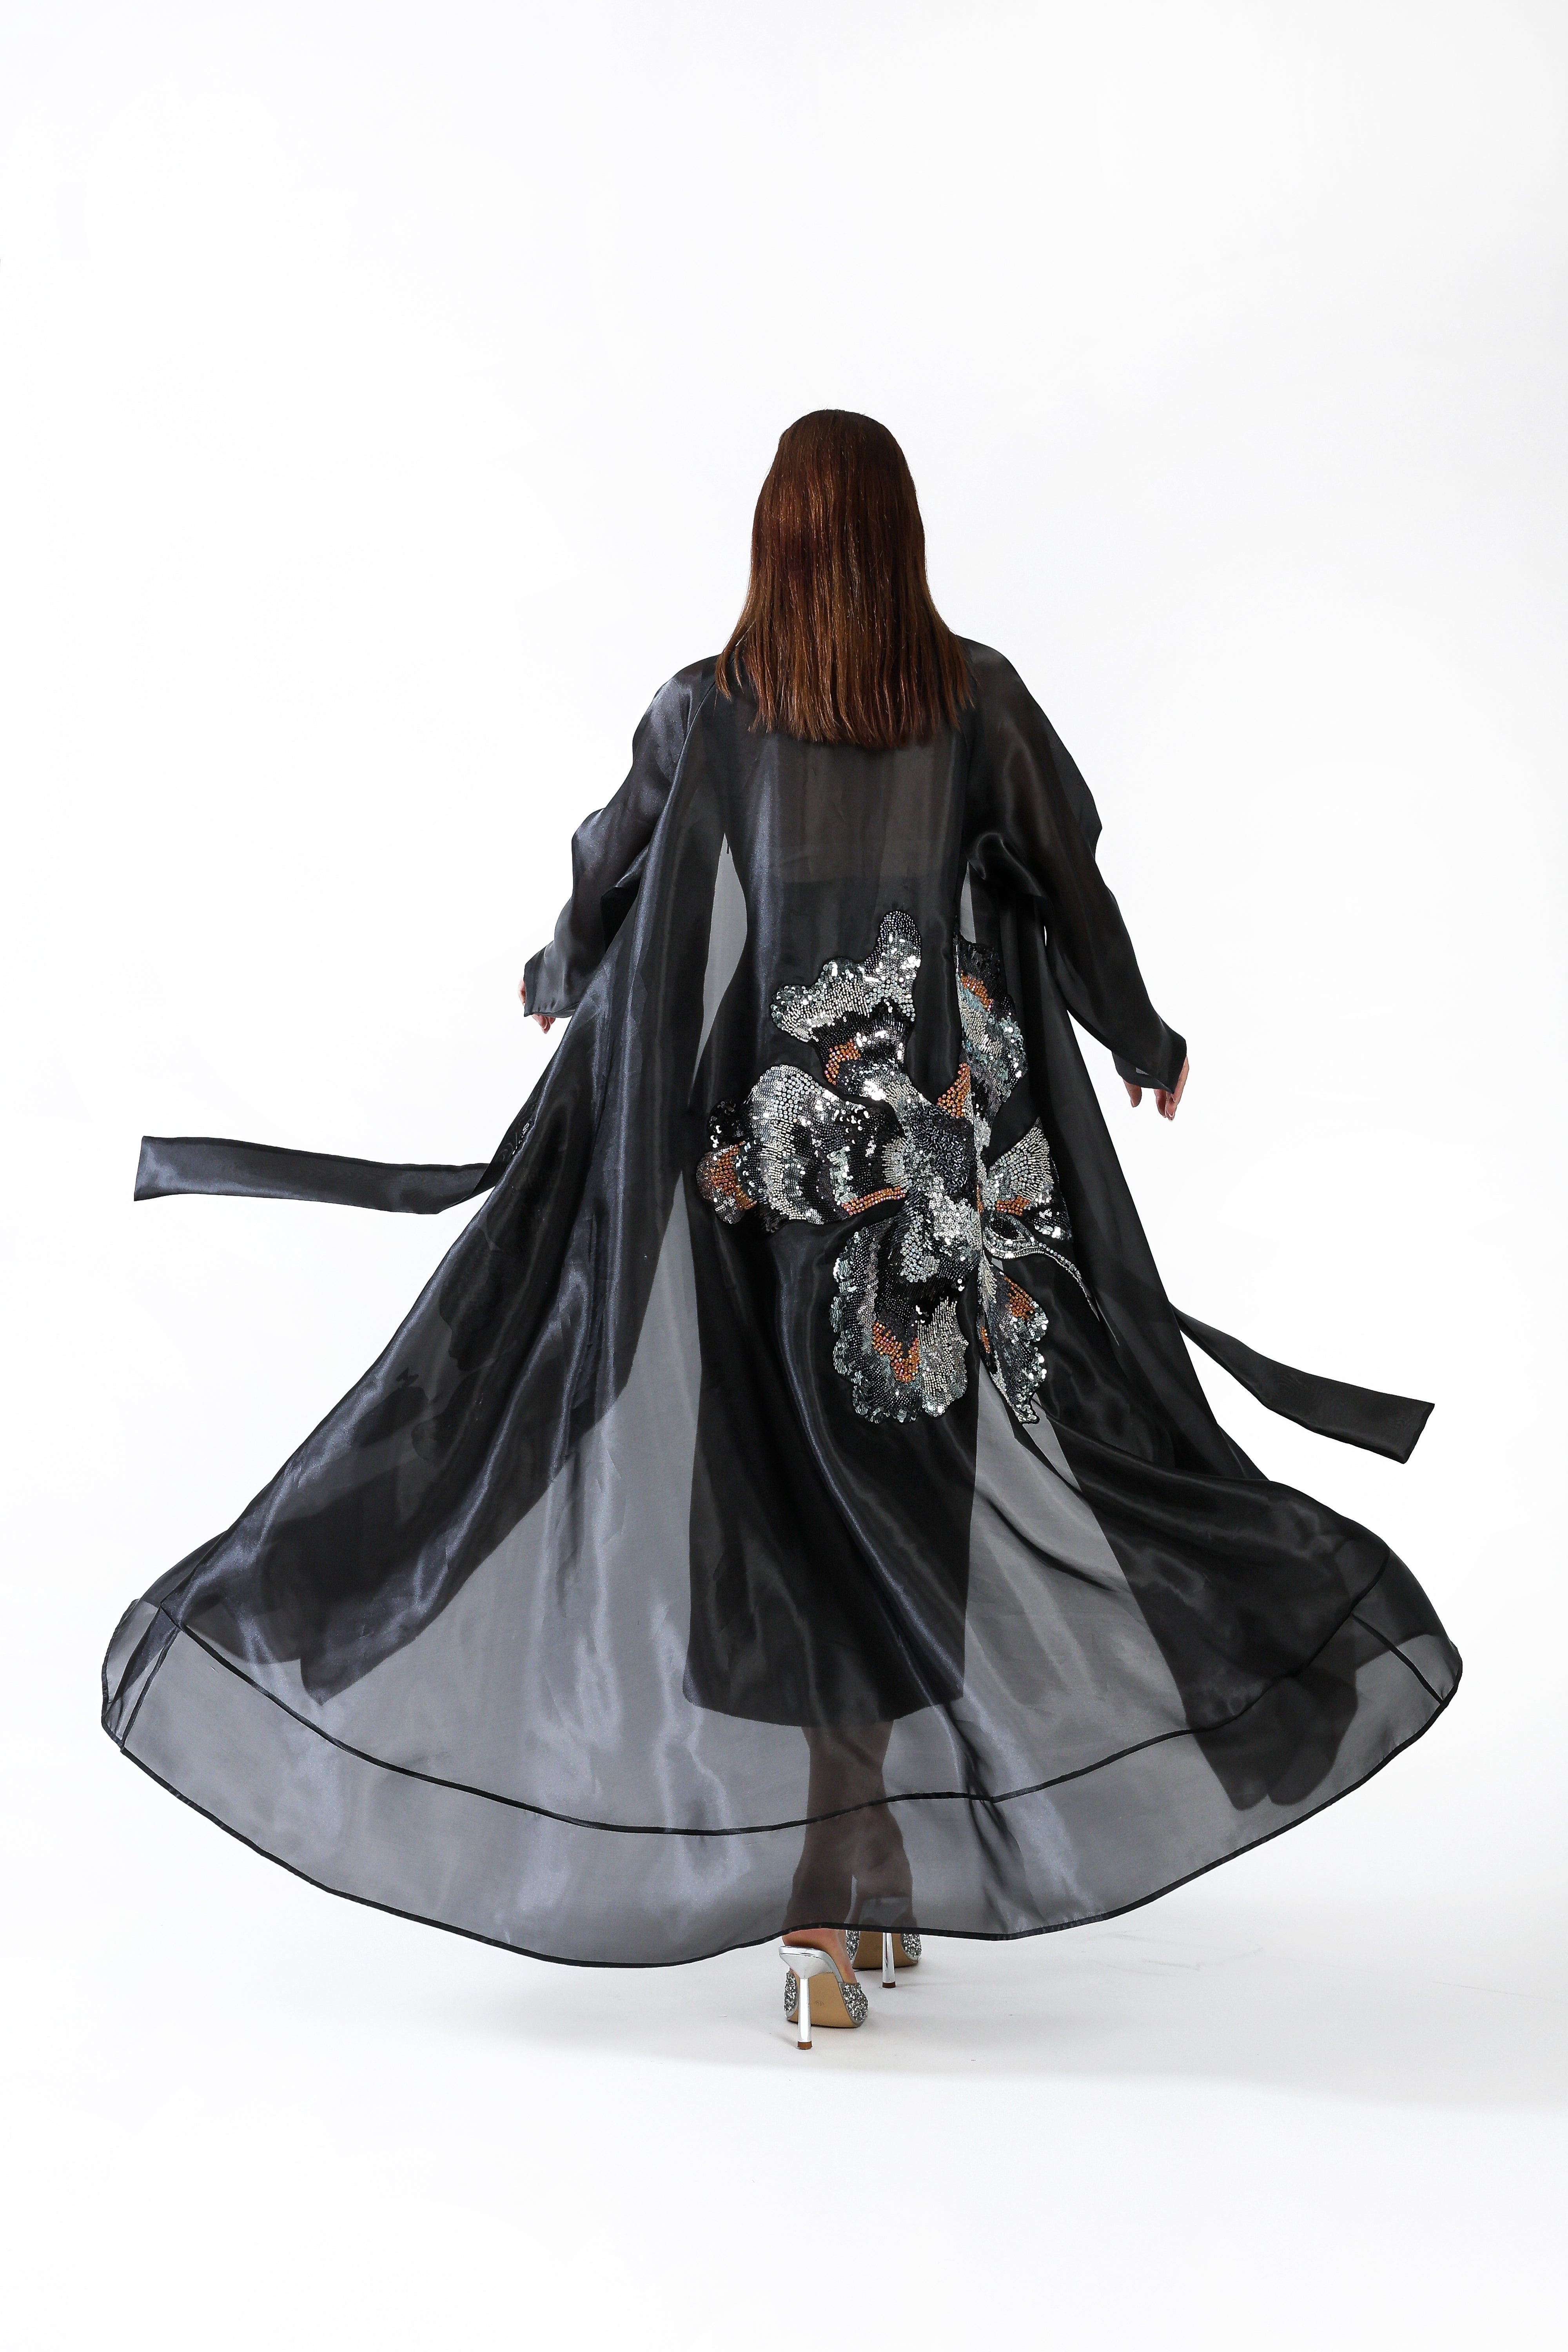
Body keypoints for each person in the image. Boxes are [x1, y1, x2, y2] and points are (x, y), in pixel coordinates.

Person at [108, 412, 1457, 2044]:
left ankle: (840, 1882)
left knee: (776, 1501)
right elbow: (1070, 881)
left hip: (743, 1179)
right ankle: (846, 1869)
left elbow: (610, 865)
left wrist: (559, 966)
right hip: (916, 1196)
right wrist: (1138, 1033)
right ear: (899, 540)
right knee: (892, 1494)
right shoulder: (973, 704)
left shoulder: (712, 709)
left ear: (775, 542)